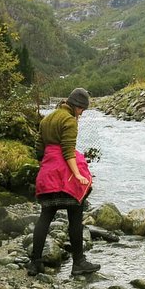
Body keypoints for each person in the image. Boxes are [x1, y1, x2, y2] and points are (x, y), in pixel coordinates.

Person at [27, 87, 101, 276]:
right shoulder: (69, 120)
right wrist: (77, 175)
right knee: (75, 217)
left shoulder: (47, 119)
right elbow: (68, 151)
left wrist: (45, 167)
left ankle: (35, 263)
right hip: (64, 176)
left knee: (45, 217)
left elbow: (39, 148)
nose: (81, 114)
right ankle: (79, 263)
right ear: (76, 106)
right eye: (82, 110)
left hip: (48, 172)